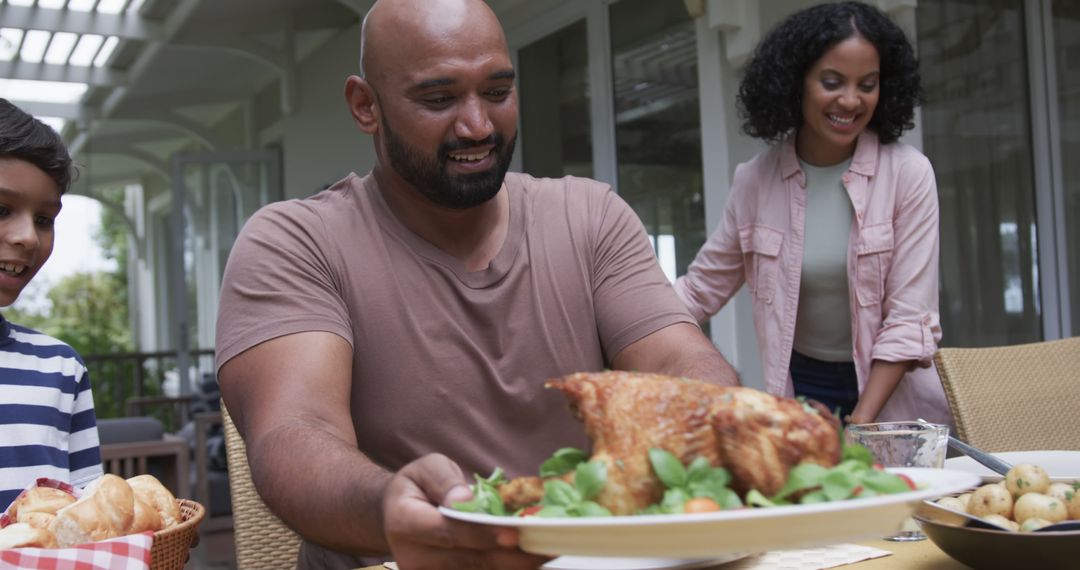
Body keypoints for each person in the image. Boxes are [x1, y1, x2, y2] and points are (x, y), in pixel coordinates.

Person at [214, 0, 739, 568]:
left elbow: (683, 363)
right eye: (439, 98)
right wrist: (389, 507)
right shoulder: (296, 242)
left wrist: (720, 422)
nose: (477, 126)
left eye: (497, 92)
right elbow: (295, 431)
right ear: (365, 106)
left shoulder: (591, 217)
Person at [675, 1, 952, 427]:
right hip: (800, 393)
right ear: (796, 82)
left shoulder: (908, 174)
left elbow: (909, 318)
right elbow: (699, 292)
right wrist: (616, 325)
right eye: (832, 81)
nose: (851, 100)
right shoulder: (755, 181)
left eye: (868, 84)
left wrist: (861, 423)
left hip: (891, 394)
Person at [0, 99, 103, 511]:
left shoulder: (61, 369)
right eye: (2, 209)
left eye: (44, 218)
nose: (29, 237)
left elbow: (91, 524)